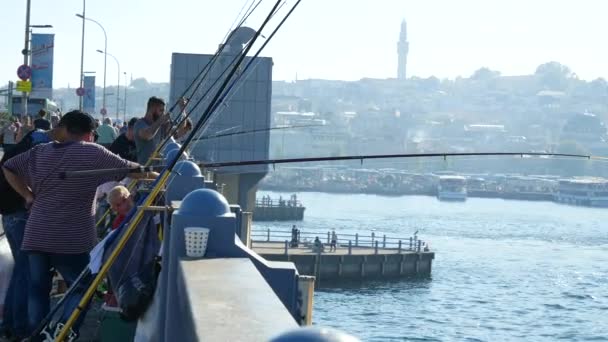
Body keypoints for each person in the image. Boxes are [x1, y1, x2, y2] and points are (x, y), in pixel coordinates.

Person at [2, 110, 158, 339]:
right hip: (71, 239)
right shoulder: (91, 152)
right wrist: (160, 173)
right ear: (88, 135)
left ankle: (37, 335)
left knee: (37, 291)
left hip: (36, 234)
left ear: (66, 129)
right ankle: (63, 329)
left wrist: (27, 195)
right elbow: (134, 170)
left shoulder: (39, 152)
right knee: (83, 287)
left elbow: (8, 167)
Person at [0, 118, 68, 341]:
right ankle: (20, 328)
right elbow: (11, 170)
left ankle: (10, 324)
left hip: (10, 212)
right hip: (19, 213)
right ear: (60, 130)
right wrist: (29, 195)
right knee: (26, 272)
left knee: (22, 269)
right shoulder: (40, 147)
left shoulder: (34, 138)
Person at [133, 97, 172, 164]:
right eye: (161, 110)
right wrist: (160, 121)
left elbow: (179, 132)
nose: (163, 114)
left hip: (160, 169)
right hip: (145, 171)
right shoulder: (139, 124)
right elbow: (147, 135)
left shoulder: (160, 125)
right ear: (152, 109)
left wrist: (183, 109)